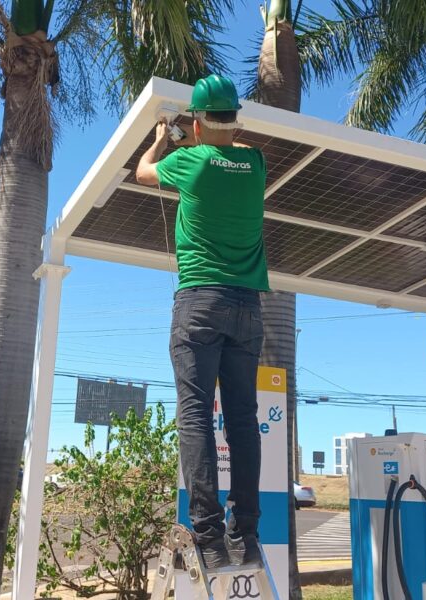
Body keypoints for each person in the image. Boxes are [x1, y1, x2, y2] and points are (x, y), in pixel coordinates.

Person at [136, 74, 269, 569]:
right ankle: (248, 537)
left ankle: (210, 539)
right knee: (242, 421)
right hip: (248, 309)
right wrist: (210, 133)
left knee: (196, 415)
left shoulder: (188, 161)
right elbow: (234, 145)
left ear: (195, 121)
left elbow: (143, 173)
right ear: (235, 121)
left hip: (201, 303)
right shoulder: (255, 163)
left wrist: (161, 141)